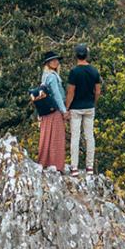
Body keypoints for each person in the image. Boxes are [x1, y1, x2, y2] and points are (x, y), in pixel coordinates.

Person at [66, 43, 102, 176]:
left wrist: (66, 108)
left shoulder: (74, 72)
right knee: (89, 136)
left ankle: (74, 167)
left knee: (75, 137)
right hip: (89, 107)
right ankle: (89, 166)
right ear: (87, 55)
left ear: (76, 56)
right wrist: (94, 102)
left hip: (76, 108)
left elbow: (71, 92)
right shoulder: (94, 71)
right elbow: (97, 91)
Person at [35, 50, 68, 173]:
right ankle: (56, 164)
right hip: (54, 110)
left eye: (56, 60)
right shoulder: (52, 77)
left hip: (46, 112)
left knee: (47, 135)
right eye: (52, 60)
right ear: (48, 63)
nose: (55, 62)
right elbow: (57, 95)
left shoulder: (45, 76)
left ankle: (45, 162)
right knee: (56, 137)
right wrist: (64, 111)